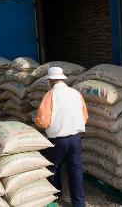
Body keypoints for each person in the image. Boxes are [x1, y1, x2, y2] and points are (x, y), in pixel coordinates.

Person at [34, 67, 88, 207]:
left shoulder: (50, 95)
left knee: (53, 167)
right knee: (75, 171)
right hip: (76, 139)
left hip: (58, 140)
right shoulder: (76, 93)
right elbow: (85, 117)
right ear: (63, 79)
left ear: (51, 80)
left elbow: (43, 121)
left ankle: (56, 194)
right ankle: (79, 203)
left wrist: (37, 123)